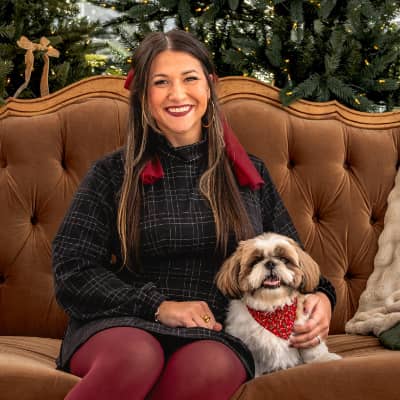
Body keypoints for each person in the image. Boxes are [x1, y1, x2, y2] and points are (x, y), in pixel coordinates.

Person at [52, 29, 336, 400]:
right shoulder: (111, 173)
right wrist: (158, 306)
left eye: (189, 79)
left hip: (212, 331)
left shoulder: (249, 173)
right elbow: (72, 270)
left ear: (209, 86)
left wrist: (323, 299)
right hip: (123, 322)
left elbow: (294, 258)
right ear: (143, 96)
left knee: (212, 367)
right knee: (137, 357)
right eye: (161, 82)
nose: (177, 94)